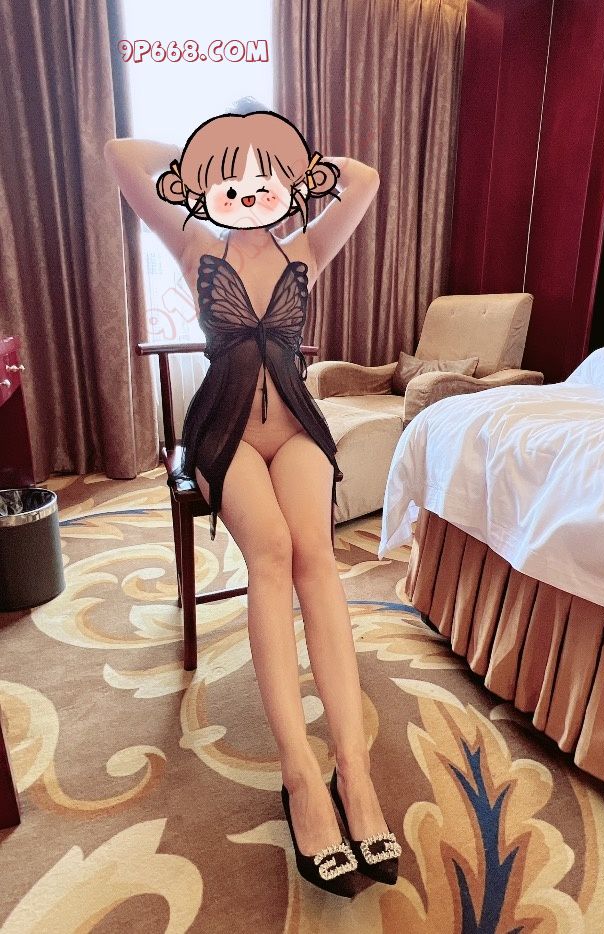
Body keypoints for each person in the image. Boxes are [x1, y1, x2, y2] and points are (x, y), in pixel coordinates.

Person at [103, 97, 400, 897]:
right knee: (269, 552)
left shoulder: (307, 246)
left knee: (316, 560)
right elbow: (123, 153)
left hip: (295, 425)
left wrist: (289, 160)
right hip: (225, 428)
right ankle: (300, 776)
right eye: (231, 176)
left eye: (266, 175)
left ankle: (354, 770)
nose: (249, 188)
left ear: (289, 181)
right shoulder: (193, 239)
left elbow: (364, 179)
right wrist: (215, 153)